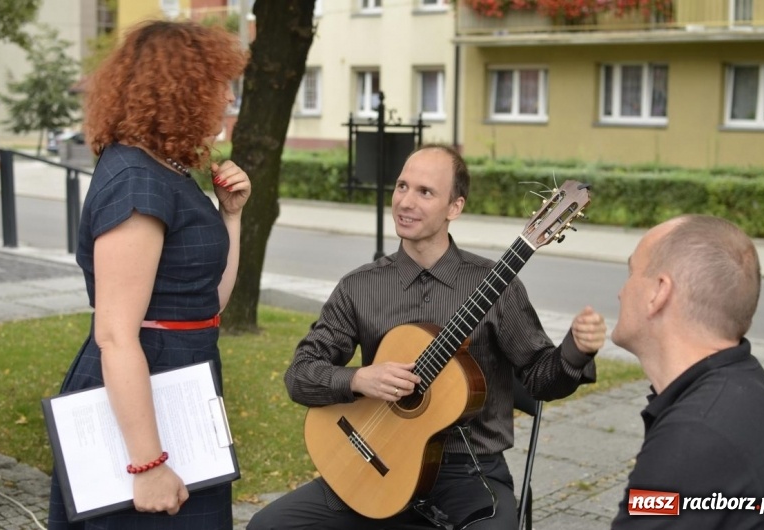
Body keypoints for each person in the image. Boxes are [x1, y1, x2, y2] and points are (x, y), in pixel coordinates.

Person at [248, 144, 607, 529]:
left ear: (455, 207)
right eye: (402, 186)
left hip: (468, 473)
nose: (405, 201)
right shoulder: (360, 287)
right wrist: (358, 379)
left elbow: (540, 379)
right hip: (373, 459)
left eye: (425, 192)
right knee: (267, 526)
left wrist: (575, 350)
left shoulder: (496, 285)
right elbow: (300, 375)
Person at [47, 20, 249, 529]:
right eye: (218, 84)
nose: (228, 97)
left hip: (182, 389)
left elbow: (210, 302)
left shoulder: (164, 171)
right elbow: (115, 335)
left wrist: (231, 216)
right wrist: (148, 465)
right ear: (181, 89)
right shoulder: (137, 180)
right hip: (144, 401)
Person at [610, 215, 764, 528]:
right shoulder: (745, 385)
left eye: (631, 273)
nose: (621, 293)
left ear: (659, 292)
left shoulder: (692, 438)